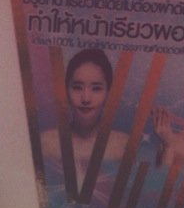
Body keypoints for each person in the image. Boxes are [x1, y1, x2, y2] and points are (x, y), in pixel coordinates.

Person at [41, 49, 129, 195]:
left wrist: (167, 146)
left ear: (109, 93)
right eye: (77, 87)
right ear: (66, 90)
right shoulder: (46, 143)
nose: (86, 98)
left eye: (96, 88)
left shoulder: (125, 146)